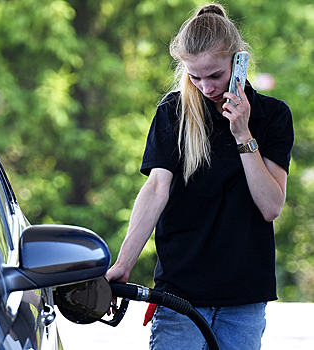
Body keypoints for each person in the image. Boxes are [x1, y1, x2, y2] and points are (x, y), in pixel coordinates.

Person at [105, 3, 294, 349]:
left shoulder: (273, 116)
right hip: (181, 291)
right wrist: (124, 263)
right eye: (195, 76)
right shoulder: (173, 112)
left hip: (244, 295)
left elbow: (271, 206)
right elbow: (156, 188)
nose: (206, 87)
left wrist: (243, 136)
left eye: (216, 75)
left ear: (239, 61)